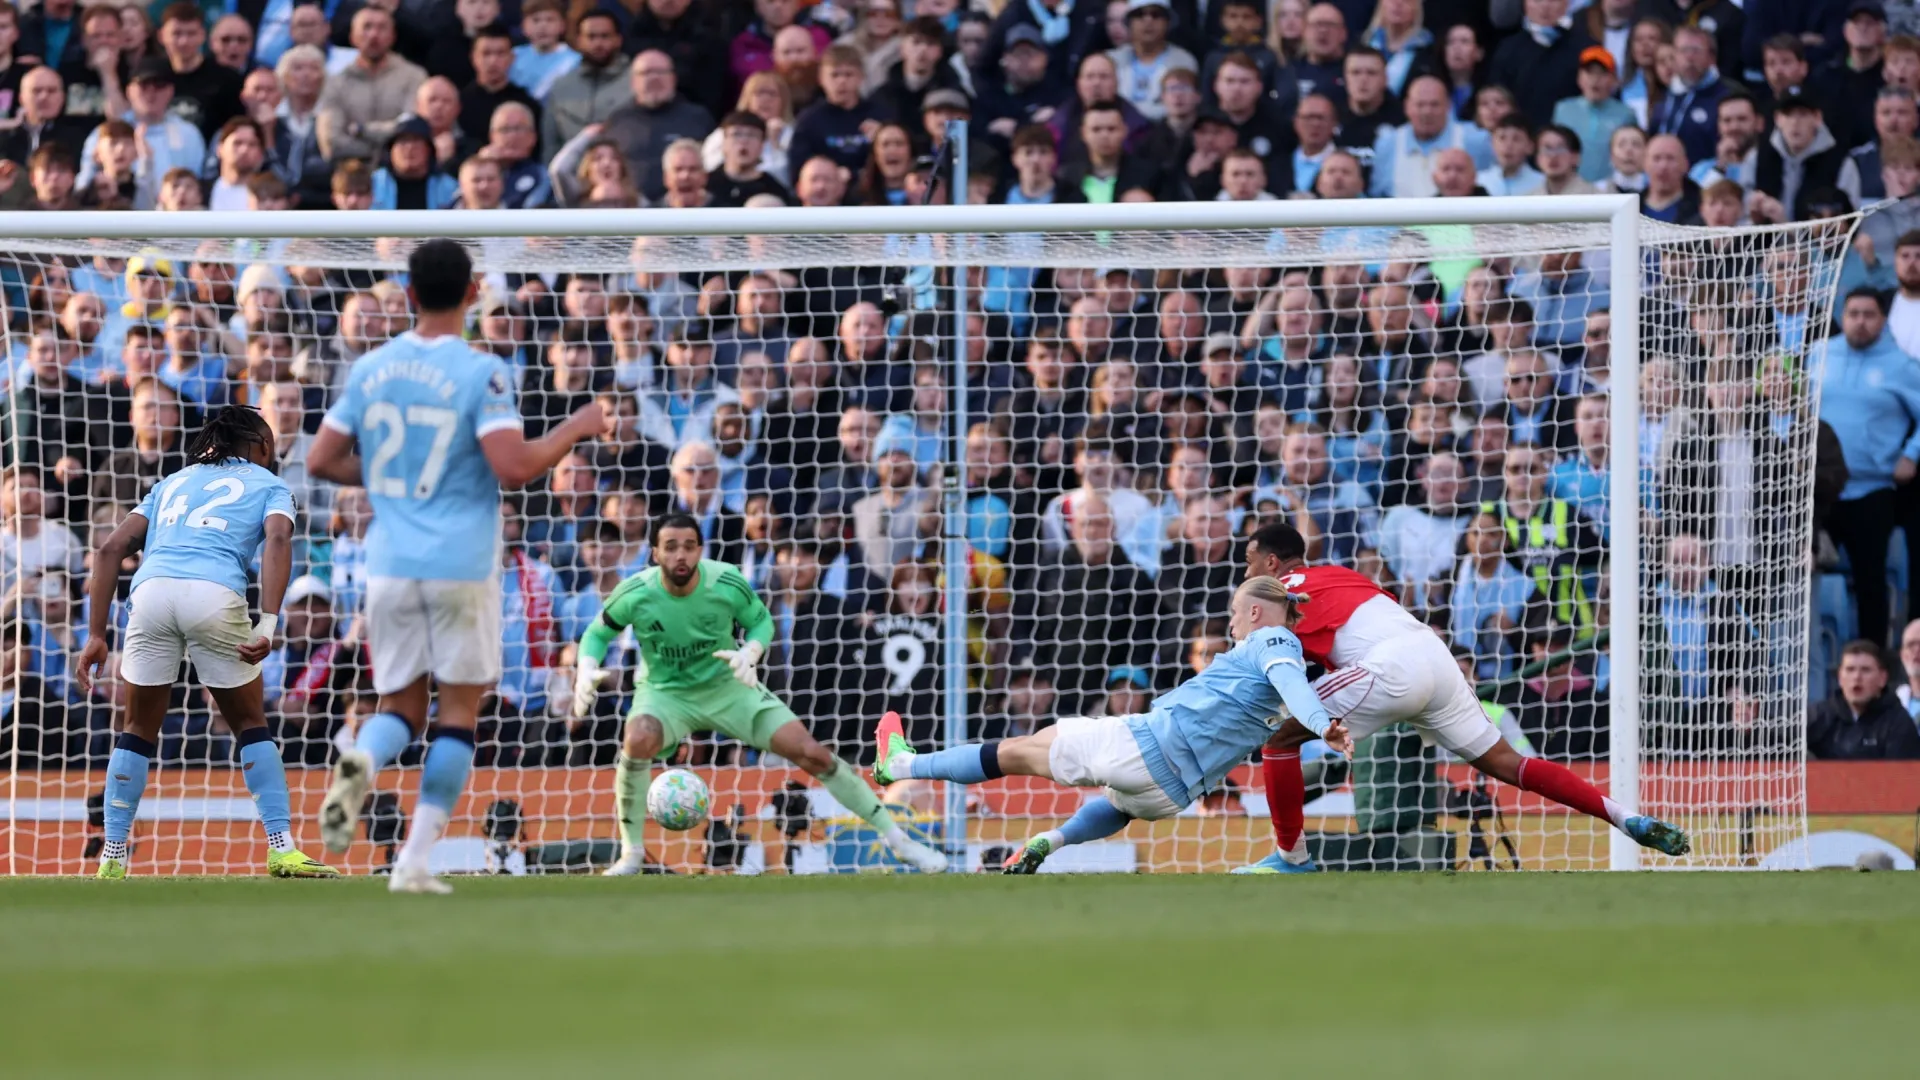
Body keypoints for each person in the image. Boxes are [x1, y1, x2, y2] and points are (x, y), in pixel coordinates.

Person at [305, 239, 610, 895]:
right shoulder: (483, 371)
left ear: (408, 295)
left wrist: (394, 478)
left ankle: (362, 756)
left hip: (387, 566)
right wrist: (577, 426)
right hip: (461, 564)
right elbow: (516, 467)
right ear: (473, 294)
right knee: (456, 717)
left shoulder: (370, 368)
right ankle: (414, 861)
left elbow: (320, 461)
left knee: (400, 708)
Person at [1233, 522, 1690, 874]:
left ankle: (1290, 858)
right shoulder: (1342, 575)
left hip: (1389, 667)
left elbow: (1271, 660)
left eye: (1249, 563)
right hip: (1435, 654)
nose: (1246, 574)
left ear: (1272, 564)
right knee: (1509, 764)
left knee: (1278, 740)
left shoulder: (1279, 592)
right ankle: (1626, 818)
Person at [874, 575, 1340, 873]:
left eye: (1236, 616)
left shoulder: (1274, 640)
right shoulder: (1278, 661)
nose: (1233, 626)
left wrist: (1321, 723)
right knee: (1117, 804)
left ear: (1255, 612)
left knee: (1018, 750)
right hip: (1173, 795)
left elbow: (1293, 684)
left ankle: (902, 764)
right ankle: (1048, 841)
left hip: (1145, 745)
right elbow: (1292, 687)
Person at [573, 512, 947, 875]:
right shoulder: (637, 591)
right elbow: (597, 633)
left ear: (701, 550)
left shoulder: (726, 581)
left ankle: (898, 840)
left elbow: (760, 621)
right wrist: (586, 667)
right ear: (655, 553)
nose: (680, 555)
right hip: (665, 694)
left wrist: (751, 652)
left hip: (729, 688)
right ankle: (631, 853)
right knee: (638, 738)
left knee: (812, 753)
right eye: (670, 547)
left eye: (689, 546)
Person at [74, 405, 336, 880]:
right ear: (260, 448)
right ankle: (282, 848)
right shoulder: (270, 484)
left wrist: (95, 635)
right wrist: (270, 622)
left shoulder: (171, 482)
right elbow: (278, 541)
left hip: (150, 593)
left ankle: (112, 855)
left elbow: (110, 548)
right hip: (214, 593)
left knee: (136, 729)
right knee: (251, 724)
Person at [1808, 640, 1920, 758]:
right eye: (1850, 669)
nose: (1857, 677)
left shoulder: (1898, 722)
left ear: (1882, 678)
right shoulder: (1818, 715)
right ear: (1840, 677)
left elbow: (1902, 774)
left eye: (1866, 670)